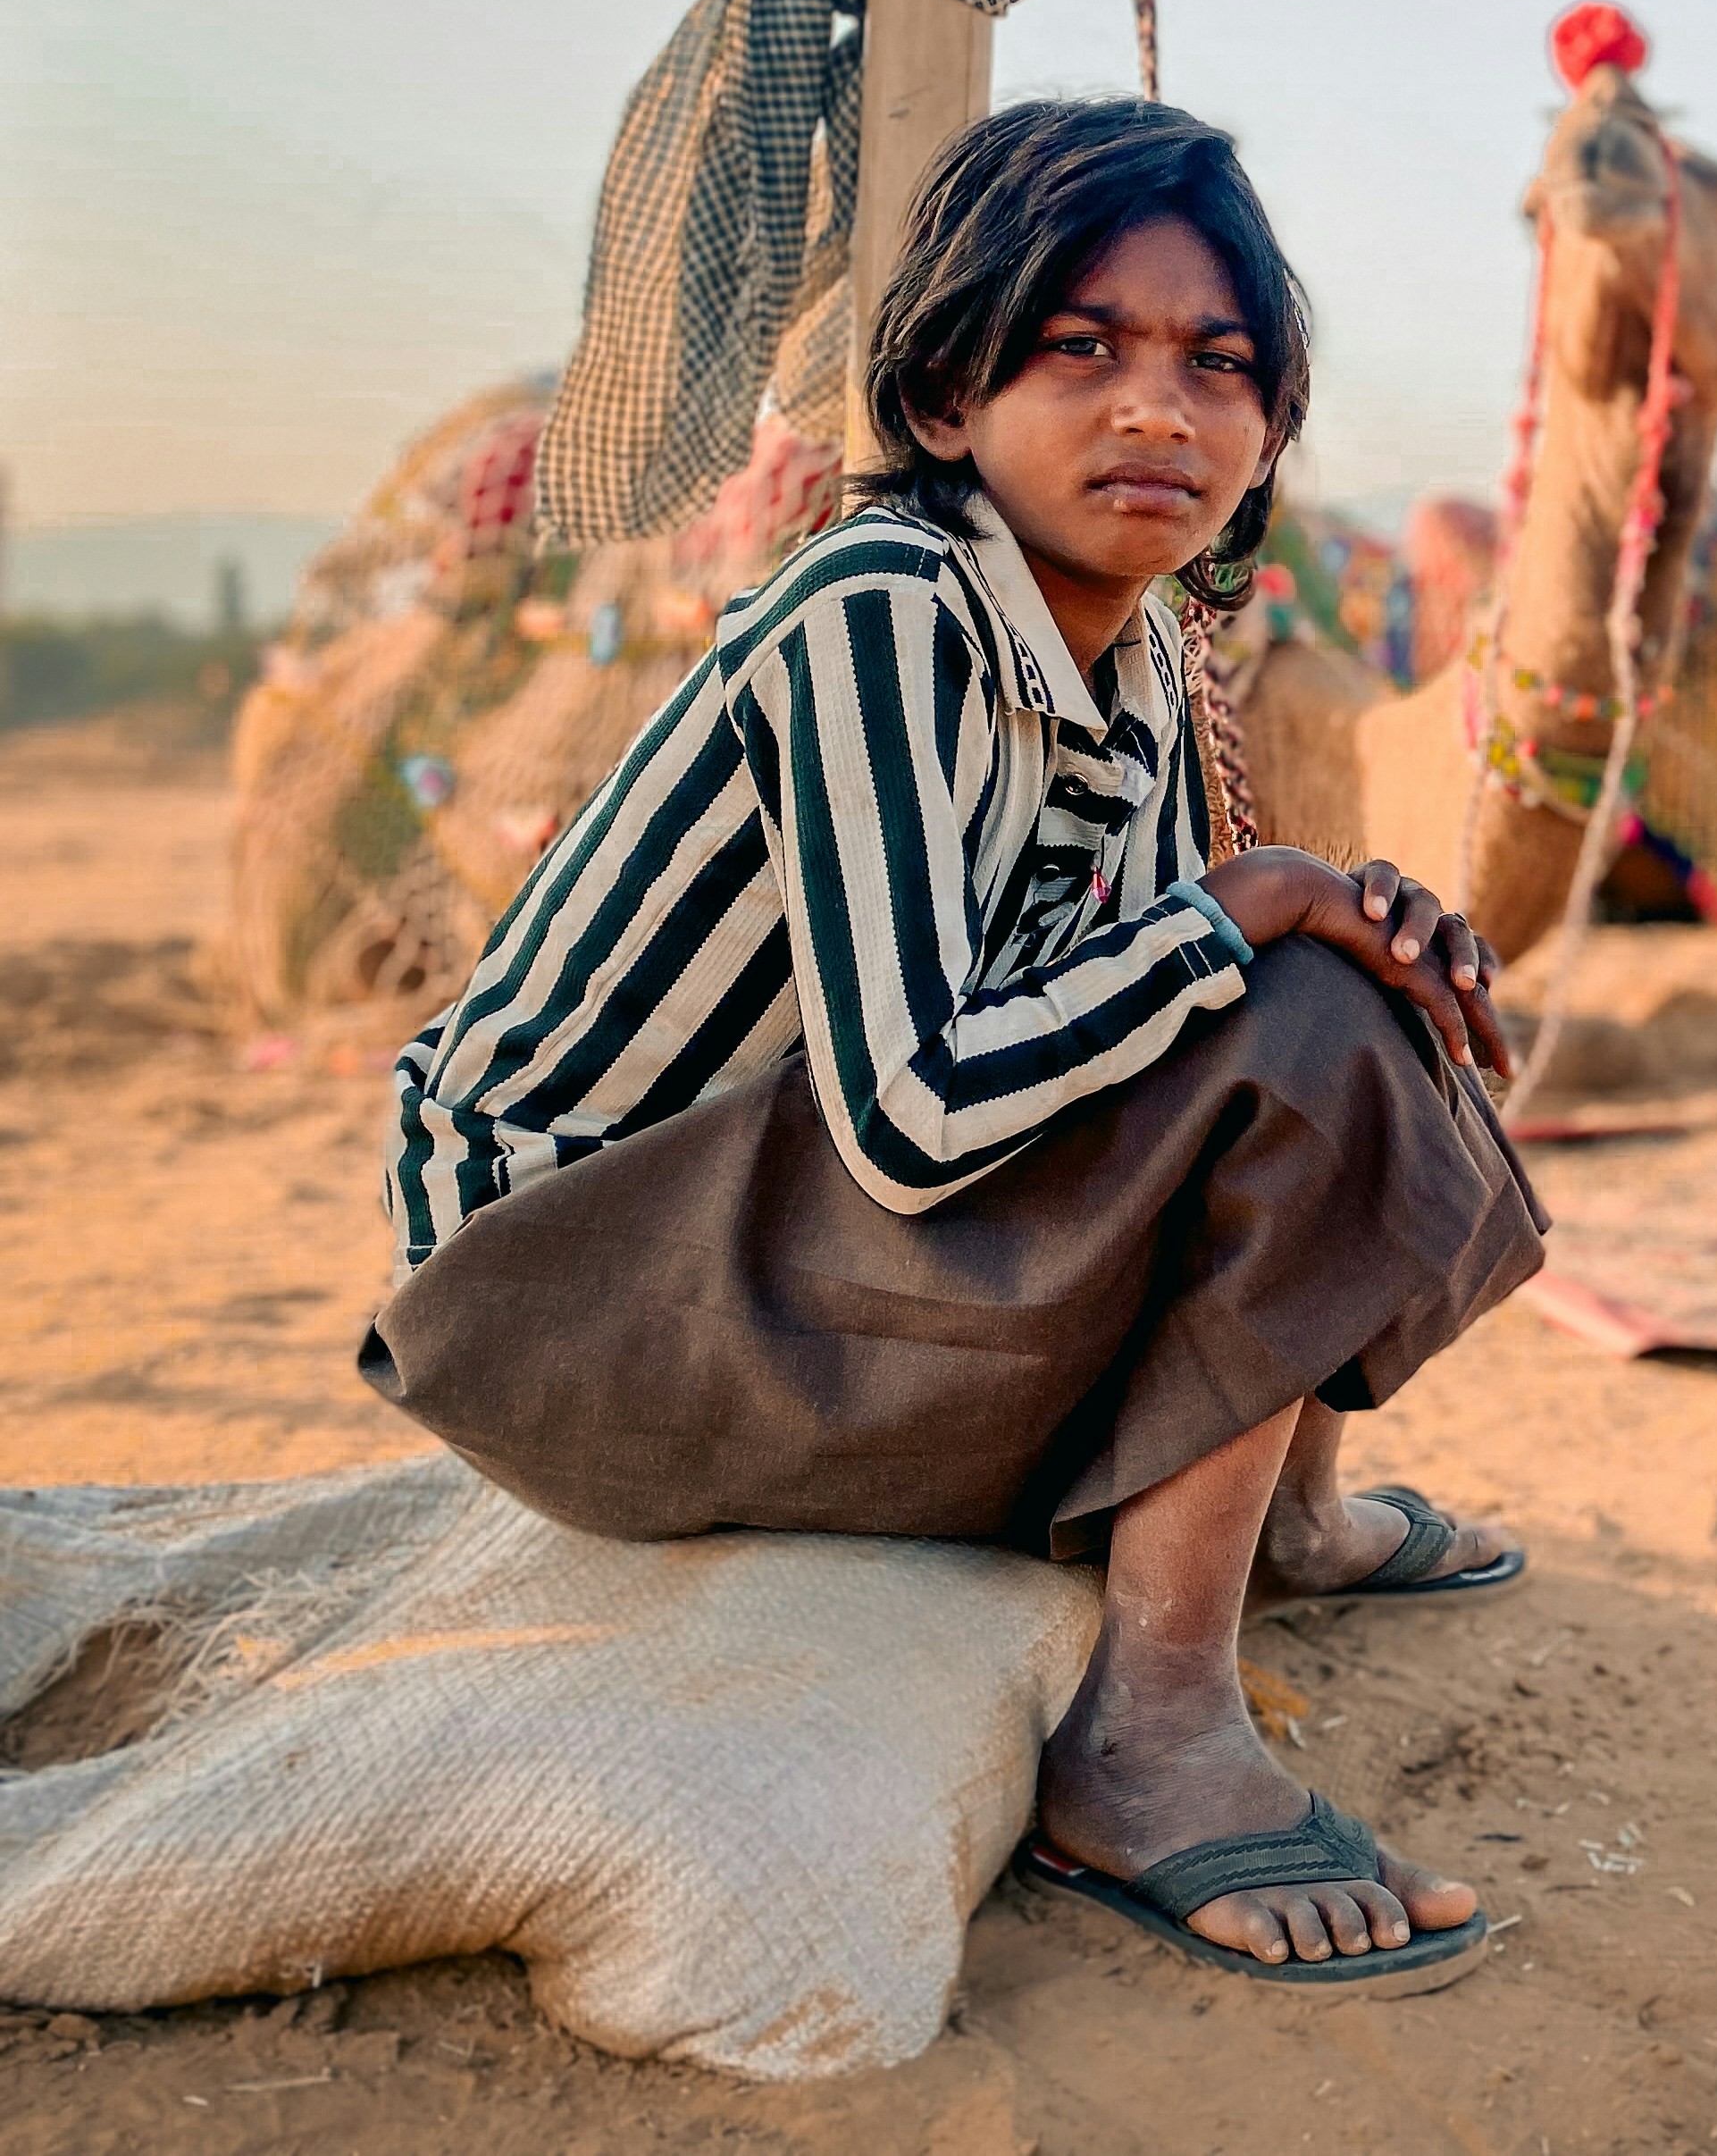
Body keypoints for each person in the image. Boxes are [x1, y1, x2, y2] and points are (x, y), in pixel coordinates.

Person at [362, 96, 1545, 1994]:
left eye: (1216, 364)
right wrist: (1247, 909)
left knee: (1331, 985)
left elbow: (1157, 1053)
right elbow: (920, 1115)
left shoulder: (1140, 661)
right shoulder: (881, 608)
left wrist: (1308, 924)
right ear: (940, 401)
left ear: (1261, 441)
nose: (1157, 406)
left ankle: (1289, 1518)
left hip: (787, 1251)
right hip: (574, 1297)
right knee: (1289, 983)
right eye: (1082, 346)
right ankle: (1149, 1732)